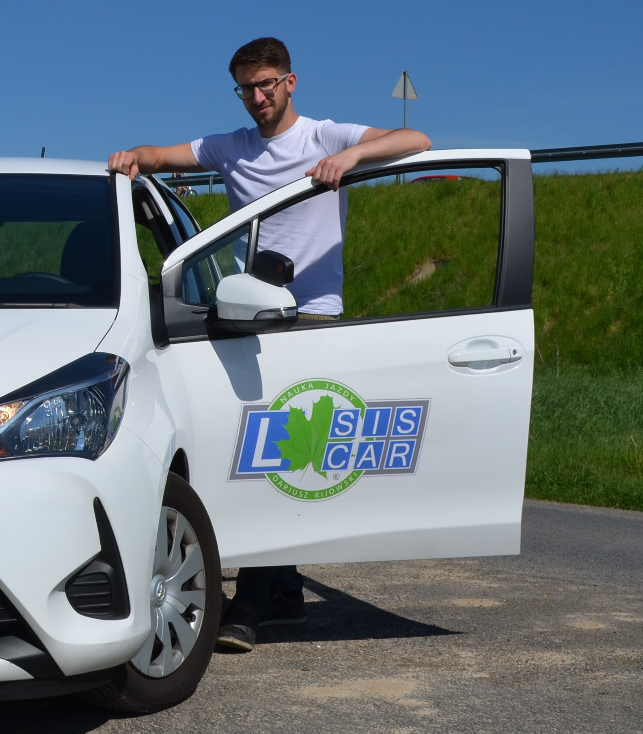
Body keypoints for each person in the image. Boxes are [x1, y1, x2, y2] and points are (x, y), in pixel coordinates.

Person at [108, 36, 430, 652]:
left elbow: (418, 142)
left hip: (310, 320)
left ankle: (253, 602)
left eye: (266, 85)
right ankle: (282, 592)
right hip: (248, 314)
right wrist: (131, 159)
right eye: (246, 89)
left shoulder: (323, 137)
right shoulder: (230, 147)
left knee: (277, 459)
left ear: (290, 82)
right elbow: (160, 155)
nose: (257, 99)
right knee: (257, 452)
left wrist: (353, 159)